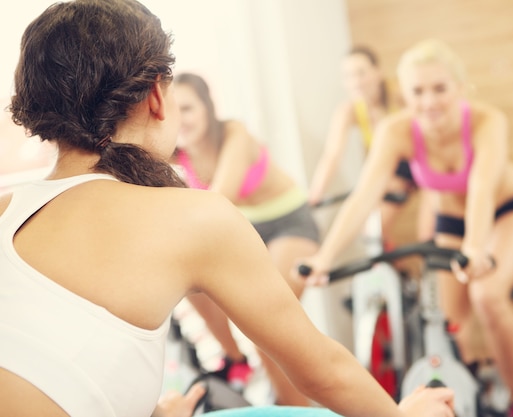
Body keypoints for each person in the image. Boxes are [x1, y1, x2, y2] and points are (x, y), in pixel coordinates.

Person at [0, 1, 455, 417]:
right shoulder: (193, 217)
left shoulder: (6, 205)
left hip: (288, 223)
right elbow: (323, 372)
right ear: (157, 95)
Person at [296, 38, 513, 417]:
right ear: (404, 94)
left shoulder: (486, 121)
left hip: (507, 210)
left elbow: (481, 189)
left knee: (486, 293)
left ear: (460, 88)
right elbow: (364, 197)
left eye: (440, 89)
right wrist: (325, 257)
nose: (429, 102)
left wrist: (476, 248)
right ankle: (474, 391)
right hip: (451, 222)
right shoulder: (395, 131)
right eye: (418, 91)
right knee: (449, 323)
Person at [171, 71, 320, 406]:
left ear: (208, 107)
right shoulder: (176, 151)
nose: (182, 120)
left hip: (289, 224)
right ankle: (234, 358)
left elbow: (220, 199)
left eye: (189, 109)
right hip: (245, 233)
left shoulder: (234, 134)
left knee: (269, 329)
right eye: (174, 111)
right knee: (188, 282)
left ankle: (294, 408)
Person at [308, 45, 435, 247]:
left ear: (378, 71)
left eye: (361, 73)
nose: (356, 81)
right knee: (374, 231)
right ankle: (398, 274)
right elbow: (332, 154)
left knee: (427, 233)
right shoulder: (349, 110)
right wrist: (315, 195)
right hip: (397, 171)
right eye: (349, 76)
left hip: (429, 161)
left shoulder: (400, 94)